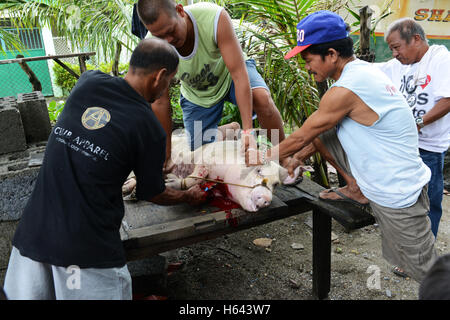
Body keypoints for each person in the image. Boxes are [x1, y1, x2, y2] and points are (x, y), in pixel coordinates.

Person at [3, 38, 206, 300]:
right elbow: (152, 193)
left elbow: (104, 138)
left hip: (32, 235)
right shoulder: (149, 127)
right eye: (170, 82)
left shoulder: (87, 82)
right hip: (86, 253)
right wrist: (188, 196)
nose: (167, 87)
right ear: (160, 76)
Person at [246, 10, 438, 283]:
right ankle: (355, 188)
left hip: (397, 192)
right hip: (383, 177)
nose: (306, 67)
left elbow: (302, 135)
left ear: (332, 54)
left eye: (308, 59)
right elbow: (314, 135)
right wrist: (296, 158)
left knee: (428, 272)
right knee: (322, 131)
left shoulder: (347, 88)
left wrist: (260, 159)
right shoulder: (361, 73)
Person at [136, 0, 285, 163]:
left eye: (171, 31)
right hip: (197, 94)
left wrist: (248, 132)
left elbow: (238, 74)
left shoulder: (214, 17)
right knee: (200, 153)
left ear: (180, 11)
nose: (168, 40)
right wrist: (166, 156)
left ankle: (285, 156)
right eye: (160, 37)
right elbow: (160, 103)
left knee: (262, 99)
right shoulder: (153, 47)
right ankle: (231, 130)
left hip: (229, 76)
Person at [375, 18, 450, 239]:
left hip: (428, 148)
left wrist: (418, 123)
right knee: (403, 199)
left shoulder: (440, 59)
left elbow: (447, 99)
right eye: (391, 49)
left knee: (427, 202)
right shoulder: (398, 65)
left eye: (397, 47)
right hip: (403, 146)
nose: (394, 54)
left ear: (416, 39)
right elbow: (370, 70)